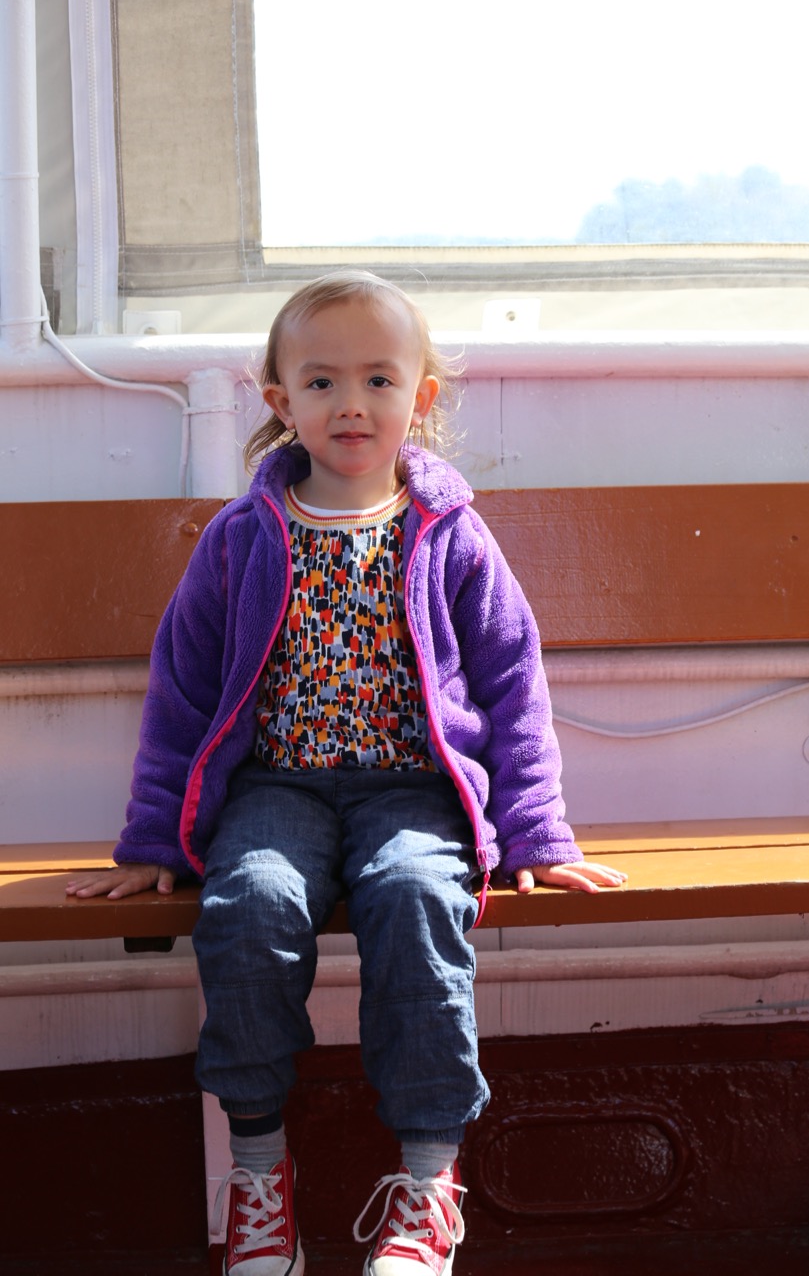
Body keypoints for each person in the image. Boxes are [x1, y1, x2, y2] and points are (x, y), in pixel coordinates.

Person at [66, 270, 626, 1276]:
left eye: (377, 378)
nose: (351, 402)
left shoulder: (447, 532)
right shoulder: (244, 537)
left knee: (417, 897)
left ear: (420, 396)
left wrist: (537, 830)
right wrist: (153, 840)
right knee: (248, 902)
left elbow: (512, 680)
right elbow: (182, 690)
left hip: (413, 791)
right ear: (280, 401)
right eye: (321, 382)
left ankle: (427, 1183)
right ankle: (257, 1178)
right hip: (274, 789)